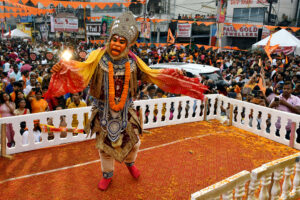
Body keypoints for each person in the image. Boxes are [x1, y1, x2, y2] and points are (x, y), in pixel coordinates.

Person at [46, 12, 207, 191]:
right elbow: (79, 70)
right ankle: (107, 175)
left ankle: (130, 163)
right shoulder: (97, 57)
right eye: (114, 40)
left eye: (121, 41)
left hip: (126, 110)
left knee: (135, 142)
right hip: (103, 110)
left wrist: (172, 73)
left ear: (127, 44)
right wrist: (62, 68)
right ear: (109, 40)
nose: (116, 44)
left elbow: (152, 74)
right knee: (104, 147)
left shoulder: (134, 61)